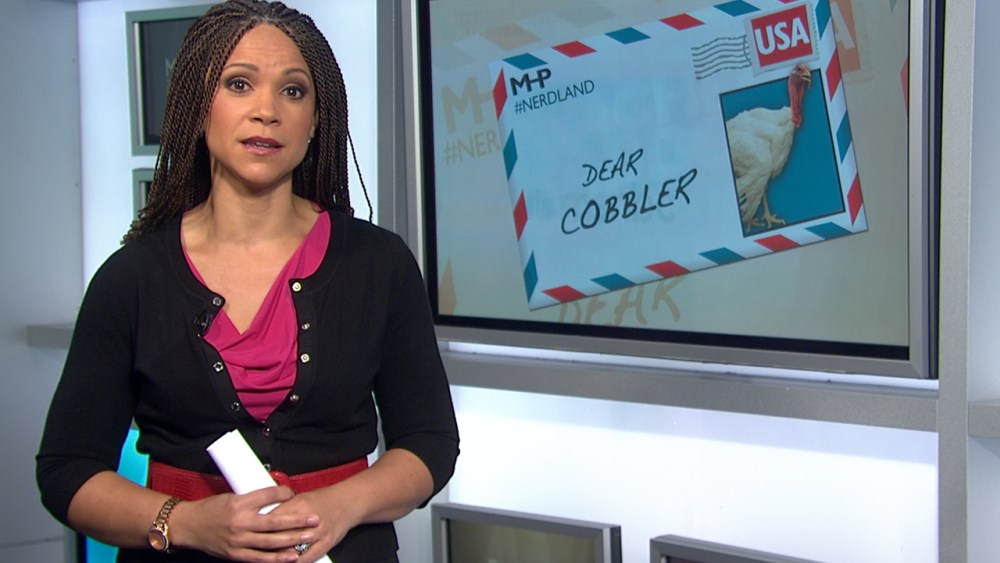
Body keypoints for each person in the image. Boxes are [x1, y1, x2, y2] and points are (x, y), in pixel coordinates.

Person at [36, 1, 459, 561]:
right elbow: (67, 470)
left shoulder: (378, 264)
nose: (267, 111)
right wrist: (187, 522)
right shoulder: (131, 278)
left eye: (293, 91)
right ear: (198, 106)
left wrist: (340, 507)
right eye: (239, 84)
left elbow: (430, 442)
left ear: (316, 120)